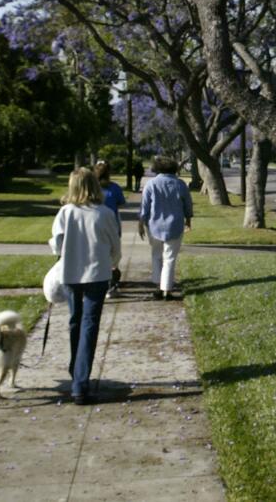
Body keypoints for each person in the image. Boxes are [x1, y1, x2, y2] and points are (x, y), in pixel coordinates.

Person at [50, 168, 121, 405]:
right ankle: (80, 381)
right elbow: (115, 246)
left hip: (71, 274)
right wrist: (112, 263)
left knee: (75, 321)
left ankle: (77, 372)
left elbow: (57, 245)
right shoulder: (104, 213)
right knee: (89, 326)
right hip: (97, 275)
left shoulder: (65, 213)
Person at [138, 155, 192, 301]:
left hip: (154, 226)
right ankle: (166, 289)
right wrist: (188, 220)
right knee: (170, 258)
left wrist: (141, 223)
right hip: (174, 225)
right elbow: (187, 204)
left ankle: (157, 286)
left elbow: (145, 207)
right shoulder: (180, 184)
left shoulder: (151, 184)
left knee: (156, 255)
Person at [94, 161, 126, 298]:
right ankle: (111, 285)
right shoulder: (114, 188)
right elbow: (121, 202)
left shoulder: (92, 188)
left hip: (94, 225)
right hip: (112, 224)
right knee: (113, 255)